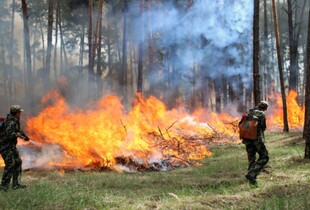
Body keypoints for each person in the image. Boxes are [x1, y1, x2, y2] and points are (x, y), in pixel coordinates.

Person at [0, 105, 29, 191]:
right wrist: (18, 135)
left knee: (18, 162)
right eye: (19, 112)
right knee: (10, 165)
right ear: (16, 113)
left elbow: (18, 130)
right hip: (5, 146)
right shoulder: (10, 122)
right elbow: (10, 135)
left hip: (11, 146)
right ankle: (3, 186)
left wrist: (25, 136)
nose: (20, 113)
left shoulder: (15, 120)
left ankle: (15, 184)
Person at [241, 101, 269, 187]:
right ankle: (251, 174)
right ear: (265, 108)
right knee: (264, 157)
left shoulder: (249, 111)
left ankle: (252, 180)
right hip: (256, 139)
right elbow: (263, 127)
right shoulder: (261, 114)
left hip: (246, 138)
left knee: (251, 158)